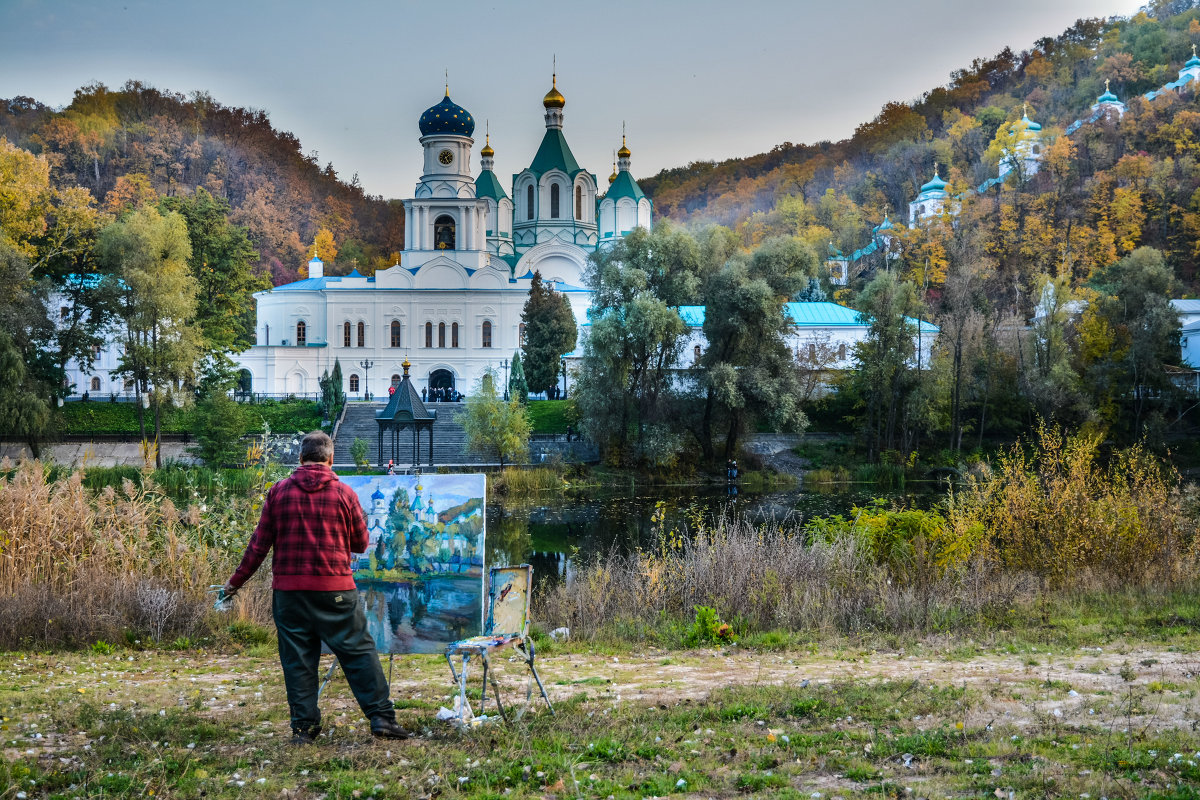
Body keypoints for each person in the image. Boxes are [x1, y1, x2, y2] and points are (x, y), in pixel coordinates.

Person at [223, 431, 410, 742]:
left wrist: (234, 582)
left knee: (298, 660)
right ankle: (381, 719)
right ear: (331, 459)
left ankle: (304, 729)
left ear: (300, 459)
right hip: (335, 590)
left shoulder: (278, 492)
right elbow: (362, 544)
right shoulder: (345, 494)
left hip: (290, 594)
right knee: (360, 652)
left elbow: (259, 546)